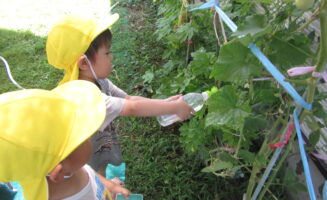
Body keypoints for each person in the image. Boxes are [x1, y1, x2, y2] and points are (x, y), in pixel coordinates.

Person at [46, 14, 194, 176]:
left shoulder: (99, 81)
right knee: (91, 180)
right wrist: (175, 107)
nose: (112, 57)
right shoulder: (85, 98)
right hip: (77, 162)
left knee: (99, 170)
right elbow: (132, 108)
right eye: (107, 53)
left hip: (95, 147)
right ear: (83, 63)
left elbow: (129, 99)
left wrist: (165, 104)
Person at [0, 80, 130, 200]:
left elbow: (89, 174)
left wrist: (110, 186)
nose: (90, 135)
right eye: (81, 136)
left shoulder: (69, 166)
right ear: (58, 172)